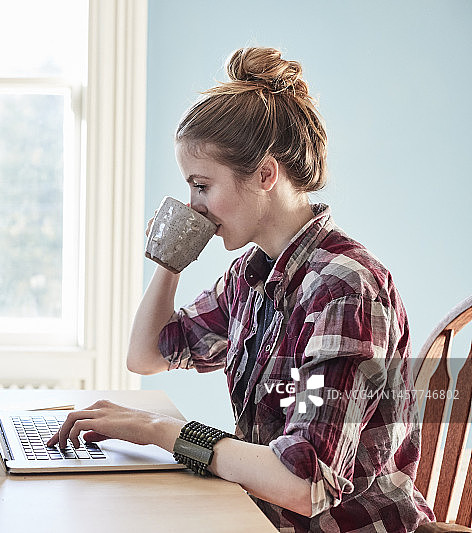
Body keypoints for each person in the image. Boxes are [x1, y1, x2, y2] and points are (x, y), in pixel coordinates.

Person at [47, 47, 435, 532]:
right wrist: (171, 260)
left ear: (265, 174)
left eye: (201, 186)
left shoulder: (343, 291)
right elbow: (146, 355)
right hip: (263, 518)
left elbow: (305, 481)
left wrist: (162, 432)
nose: (193, 207)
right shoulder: (251, 278)